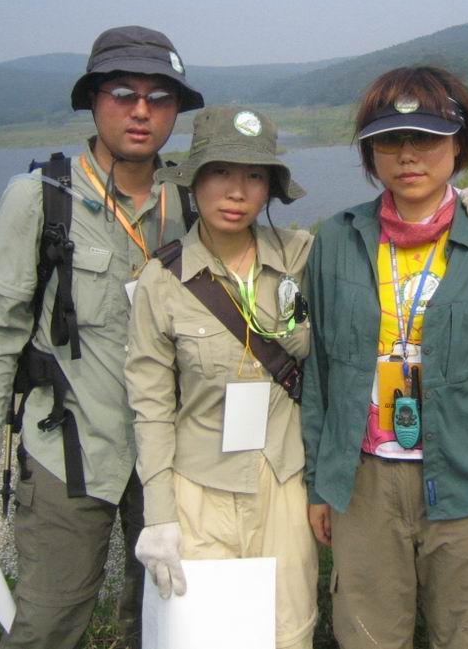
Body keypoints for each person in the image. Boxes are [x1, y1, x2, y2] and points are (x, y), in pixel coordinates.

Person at [0, 25, 204, 649]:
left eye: (159, 97)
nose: (141, 111)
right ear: (92, 101)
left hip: (170, 457)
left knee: (164, 619)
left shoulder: (192, 199)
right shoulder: (40, 197)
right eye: (123, 93)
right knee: (49, 622)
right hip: (70, 448)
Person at [301, 66, 468, 649]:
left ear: (459, 144)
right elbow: (321, 376)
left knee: (466, 636)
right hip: (362, 482)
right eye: (390, 139)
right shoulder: (337, 239)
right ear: (370, 151)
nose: (408, 155)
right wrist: (318, 484)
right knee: (367, 638)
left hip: (465, 480)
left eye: (427, 138)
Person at [124, 105, 319, 649]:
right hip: (198, 493)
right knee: (207, 637)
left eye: (254, 175)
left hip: (283, 482)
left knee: (288, 634)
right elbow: (151, 406)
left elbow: (384, 245)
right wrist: (159, 515)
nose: (236, 191)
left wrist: (462, 204)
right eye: (220, 173)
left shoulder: (303, 257)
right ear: (194, 182)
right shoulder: (161, 281)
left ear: (270, 188)